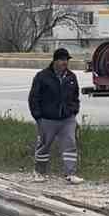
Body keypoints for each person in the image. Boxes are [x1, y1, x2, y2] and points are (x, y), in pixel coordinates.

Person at [29, 48, 83, 183]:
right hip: (47, 119)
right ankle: (39, 172)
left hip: (67, 119)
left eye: (67, 60)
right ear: (55, 61)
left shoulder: (71, 77)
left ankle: (70, 174)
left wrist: (73, 111)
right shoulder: (42, 76)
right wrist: (38, 117)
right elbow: (34, 98)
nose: (65, 63)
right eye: (62, 60)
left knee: (70, 145)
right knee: (44, 146)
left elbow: (75, 96)